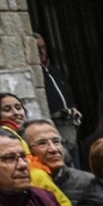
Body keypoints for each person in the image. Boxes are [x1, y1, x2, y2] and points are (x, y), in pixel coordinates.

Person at [22, 116, 92, 206]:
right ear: (27, 151)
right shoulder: (24, 189)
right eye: (42, 143)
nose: (53, 149)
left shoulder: (88, 182)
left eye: (56, 142)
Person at [35, 34, 83, 165]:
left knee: (75, 158)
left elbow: (67, 91)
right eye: (37, 48)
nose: (41, 52)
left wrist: (73, 107)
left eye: (43, 47)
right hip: (54, 126)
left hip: (69, 125)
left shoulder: (54, 69)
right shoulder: (35, 72)